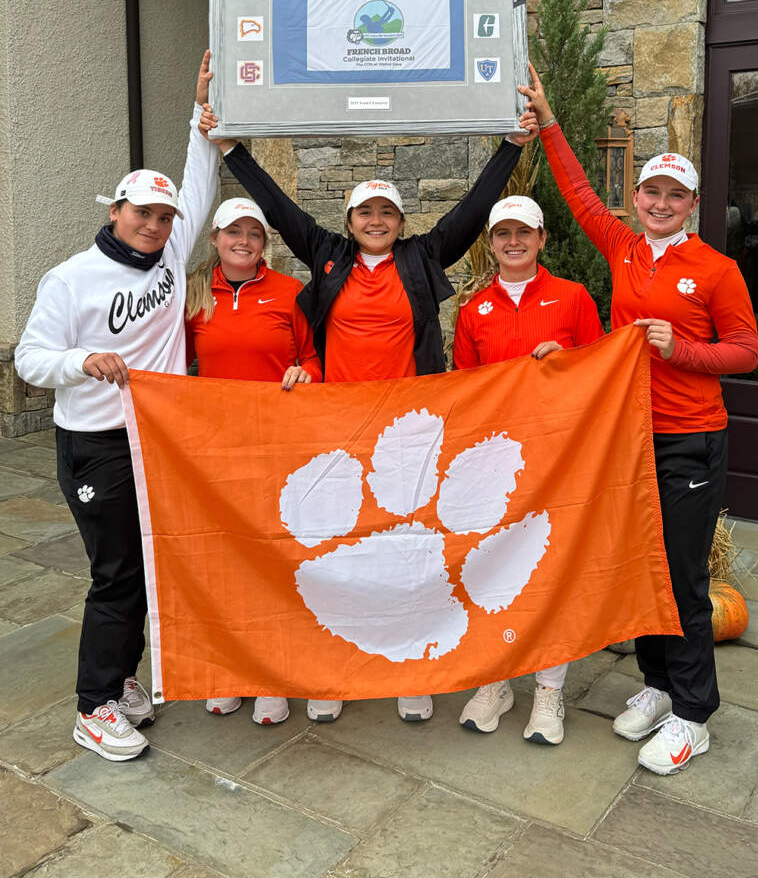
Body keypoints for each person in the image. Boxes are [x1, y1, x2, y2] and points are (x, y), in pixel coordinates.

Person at [199, 103, 539, 723]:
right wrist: (230, 151)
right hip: (337, 427)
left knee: (409, 543)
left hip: (409, 430)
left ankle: (411, 666)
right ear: (349, 220)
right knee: (340, 544)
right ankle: (336, 672)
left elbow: (468, 210)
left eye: (386, 212)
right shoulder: (326, 254)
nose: (376, 221)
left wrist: (512, 145)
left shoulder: (422, 257)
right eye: (365, 212)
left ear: (400, 222)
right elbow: (276, 207)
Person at [519, 65, 758, 775]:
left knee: (683, 579)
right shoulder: (622, 247)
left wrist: (679, 348)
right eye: (649, 191)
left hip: (689, 439)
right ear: (638, 198)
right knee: (640, 570)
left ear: (689, 203)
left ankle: (693, 715)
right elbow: (578, 194)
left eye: (672, 194)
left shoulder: (714, 269)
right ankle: (656, 686)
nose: (658, 203)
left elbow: (744, 351)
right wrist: (549, 119)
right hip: (626, 436)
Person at [14, 52, 220, 762]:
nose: (155, 225)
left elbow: (201, 180)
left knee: (150, 563)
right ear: (115, 210)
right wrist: (81, 361)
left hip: (156, 438)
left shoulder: (166, 259)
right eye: (142, 213)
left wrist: (200, 112)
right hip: (96, 442)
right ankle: (93, 706)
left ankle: (123, 681)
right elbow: (30, 359)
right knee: (118, 574)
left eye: (164, 217)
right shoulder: (70, 278)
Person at [453, 194, 604, 744]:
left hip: (557, 460)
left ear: (542, 239)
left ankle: (548, 689)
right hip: (495, 465)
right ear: (491, 244)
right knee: (493, 570)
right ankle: (496, 679)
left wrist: (568, 366)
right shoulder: (474, 309)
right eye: (502, 234)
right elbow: (465, 387)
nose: (513, 243)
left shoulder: (573, 298)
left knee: (550, 572)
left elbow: (600, 374)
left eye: (524, 233)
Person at [185, 195, 322, 725]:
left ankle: (275, 674)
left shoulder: (290, 293)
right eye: (233, 232)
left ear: (265, 243)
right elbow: (174, 365)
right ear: (215, 238)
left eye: (255, 233)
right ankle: (234, 667)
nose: (244, 241)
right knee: (226, 560)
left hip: (280, 447)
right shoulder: (194, 296)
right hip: (216, 451)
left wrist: (306, 373)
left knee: (276, 558)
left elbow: (313, 358)